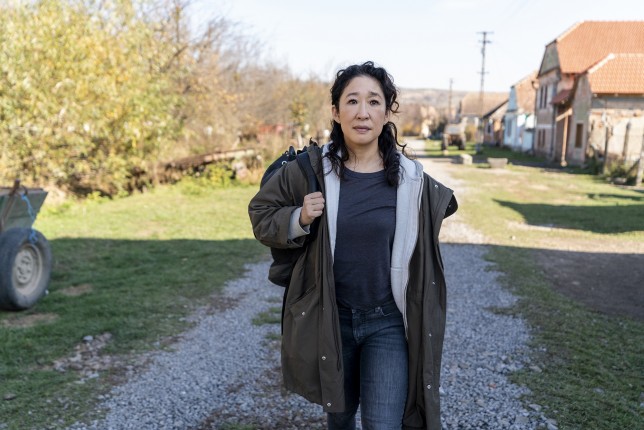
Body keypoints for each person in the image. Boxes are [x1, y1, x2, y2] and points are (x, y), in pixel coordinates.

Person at [248, 61, 457, 430]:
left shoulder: (411, 181)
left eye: (374, 102)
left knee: (382, 424)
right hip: (331, 318)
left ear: (387, 112)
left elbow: (441, 211)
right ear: (336, 111)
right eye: (352, 101)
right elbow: (262, 213)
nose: (363, 112)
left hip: (388, 322)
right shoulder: (310, 170)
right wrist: (299, 217)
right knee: (340, 420)